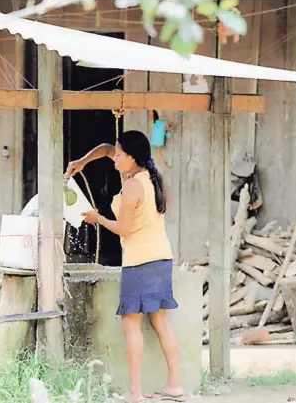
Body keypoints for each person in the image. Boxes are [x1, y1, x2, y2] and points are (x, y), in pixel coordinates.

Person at [65, 130, 185, 403]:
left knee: (131, 328)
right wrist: (82, 161)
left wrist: (99, 218)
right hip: (161, 259)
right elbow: (106, 147)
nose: (114, 157)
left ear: (132, 158)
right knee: (162, 324)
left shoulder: (132, 186)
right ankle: (175, 385)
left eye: (120, 155)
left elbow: (124, 229)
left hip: (140, 262)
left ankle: (135, 392)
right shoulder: (150, 178)